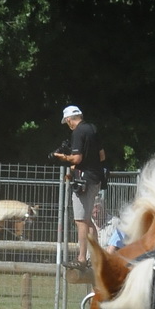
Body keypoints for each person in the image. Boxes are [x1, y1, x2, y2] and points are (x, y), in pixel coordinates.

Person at [53, 107, 106, 269]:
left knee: (80, 220)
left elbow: (77, 158)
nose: (68, 125)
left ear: (69, 119)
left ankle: (82, 259)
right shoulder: (92, 129)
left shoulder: (77, 132)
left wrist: (63, 157)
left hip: (83, 181)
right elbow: (102, 156)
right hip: (96, 179)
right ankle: (95, 258)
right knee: (88, 221)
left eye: (67, 122)